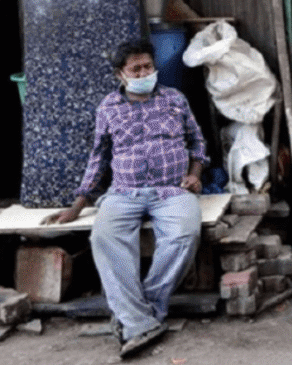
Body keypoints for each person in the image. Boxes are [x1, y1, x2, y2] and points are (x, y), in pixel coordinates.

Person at [44, 39, 209, 358]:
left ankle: (136, 317)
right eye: (136, 69)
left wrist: (196, 173)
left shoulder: (174, 99)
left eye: (148, 66)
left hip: (171, 190)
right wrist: (77, 206)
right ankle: (142, 322)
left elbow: (197, 141)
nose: (145, 73)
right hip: (123, 192)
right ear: (121, 74)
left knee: (184, 234)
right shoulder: (108, 107)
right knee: (105, 238)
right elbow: (98, 157)